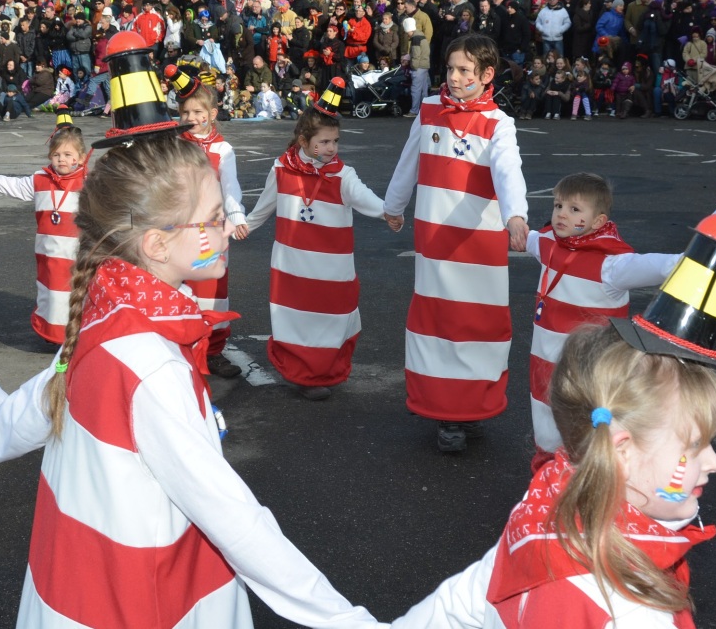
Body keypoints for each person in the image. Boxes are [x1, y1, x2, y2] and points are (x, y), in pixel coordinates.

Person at [0, 38, 388, 627]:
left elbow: (1, 432)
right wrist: (352, 621)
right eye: (211, 219)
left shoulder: (102, 317)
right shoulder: (150, 363)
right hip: (146, 602)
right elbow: (236, 520)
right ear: (156, 244)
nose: (223, 227)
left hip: (72, 598)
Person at [392, 213, 716, 628]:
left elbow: (457, 606)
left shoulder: (547, 505)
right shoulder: (632, 613)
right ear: (622, 450)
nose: (714, 462)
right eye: (693, 444)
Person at [383, 34, 528, 452]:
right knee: (436, 326)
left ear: (486, 75)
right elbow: (409, 159)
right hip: (434, 244)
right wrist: (395, 205)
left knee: (479, 329)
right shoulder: (429, 110)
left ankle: (472, 406)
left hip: (479, 250)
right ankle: (445, 410)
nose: (455, 77)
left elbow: (508, 170)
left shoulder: (498, 122)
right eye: (450, 68)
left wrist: (514, 215)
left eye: (465, 70)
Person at [242, 80, 386, 400]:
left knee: (333, 318)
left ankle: (322, 371)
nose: (332, 148)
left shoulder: (342, 174)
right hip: (293, 264)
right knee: (295, 318)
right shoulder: (282, 168)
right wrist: (242, 227)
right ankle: (303, 375)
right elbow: (263, 207)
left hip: (331, 266)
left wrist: (387, 212)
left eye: (335, 141)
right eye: (324, 142)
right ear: (304, 141)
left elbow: (364, 198)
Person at [525, 173, 679, 466]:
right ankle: (546, 478)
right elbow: (525, 237)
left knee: (587, 420)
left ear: (598, 221)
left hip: (589, 367)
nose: (561, 214)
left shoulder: (612, 265)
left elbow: (654, 265)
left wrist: (701, 257)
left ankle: (587, 479)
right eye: (558, 205)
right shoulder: (549, 243)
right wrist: (512, 222)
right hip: (544, 358)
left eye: (574, 209)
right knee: (546, 413)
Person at [0, 118, 92, 344]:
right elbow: (13, 186)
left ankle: (79, 337)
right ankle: (54, 337)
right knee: (52, 297)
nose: (61, 159)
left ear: (81, 158)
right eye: (56, 155)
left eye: (67, 154)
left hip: (77, 256)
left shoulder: (90, 184)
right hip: (49, 256)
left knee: (78, 296)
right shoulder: (40, 179)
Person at [169, 66, 249, 378]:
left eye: (198, 111)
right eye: (186, 111)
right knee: (178, 288)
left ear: (212, 113)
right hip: (178, 232)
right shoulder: (174, 145)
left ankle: (214, 350)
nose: (191, 117)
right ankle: (181, 348)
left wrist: (237, 216)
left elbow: (230, 189)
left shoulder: (222, 149)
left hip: (211, 233)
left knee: (213, 291)